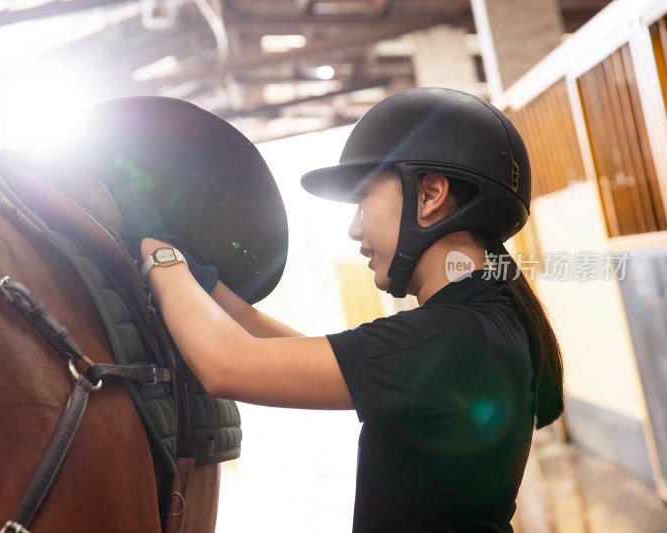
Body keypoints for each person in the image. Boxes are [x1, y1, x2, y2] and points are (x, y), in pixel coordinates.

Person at [116, 87, 564, 532]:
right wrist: (204, 285)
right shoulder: (486, 320)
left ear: (430, 195)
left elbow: (226, 365)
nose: (354, 229)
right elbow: (293, 354)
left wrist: (158, 254)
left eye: (363, 198)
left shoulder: (451, 340)